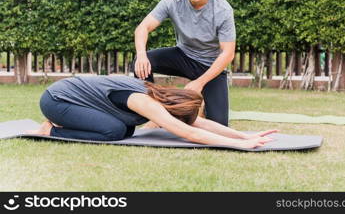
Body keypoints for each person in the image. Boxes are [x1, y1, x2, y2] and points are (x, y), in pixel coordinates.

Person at [27, 75, 277, 149]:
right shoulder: (145, 102)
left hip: (72, 98)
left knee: (126, 129)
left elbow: (199, 124)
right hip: (56, 99)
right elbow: (189, 132)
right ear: (174, 109)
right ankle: (50, 129)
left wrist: (244, 136)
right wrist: (238, 146)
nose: (172, 123)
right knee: (114, 131)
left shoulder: (158, 95)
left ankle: (57, 124)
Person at [133, 0, 235, 127]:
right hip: (184, 56)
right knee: (142, 61)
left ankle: (199, 107)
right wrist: (141, 54)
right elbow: (143, 28)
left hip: (210, 66)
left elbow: (228, 53)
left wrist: (199, 83)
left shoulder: (223, 9)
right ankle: (154, 111)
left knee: (219, 125)